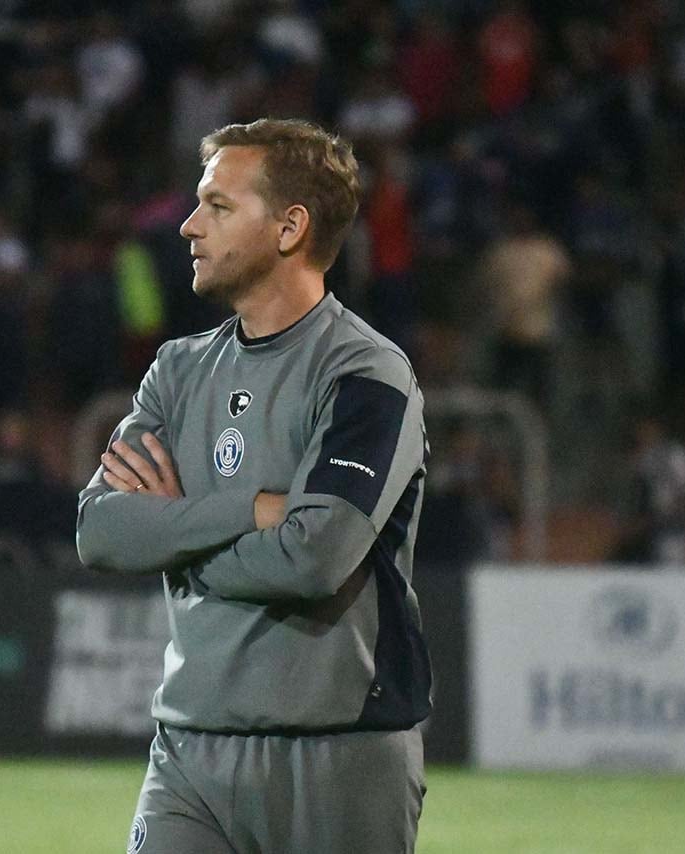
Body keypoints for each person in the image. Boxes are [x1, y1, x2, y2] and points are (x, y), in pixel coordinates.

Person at [76, 119, 431, 854]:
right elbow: (101, 531)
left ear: (290, 227)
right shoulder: (176, 371)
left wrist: (173, 532)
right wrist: (249, 511)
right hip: (189, 753)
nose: (188, 225)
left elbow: (313, 556)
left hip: (339, 756)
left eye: (218, 206)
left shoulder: (365, 374)